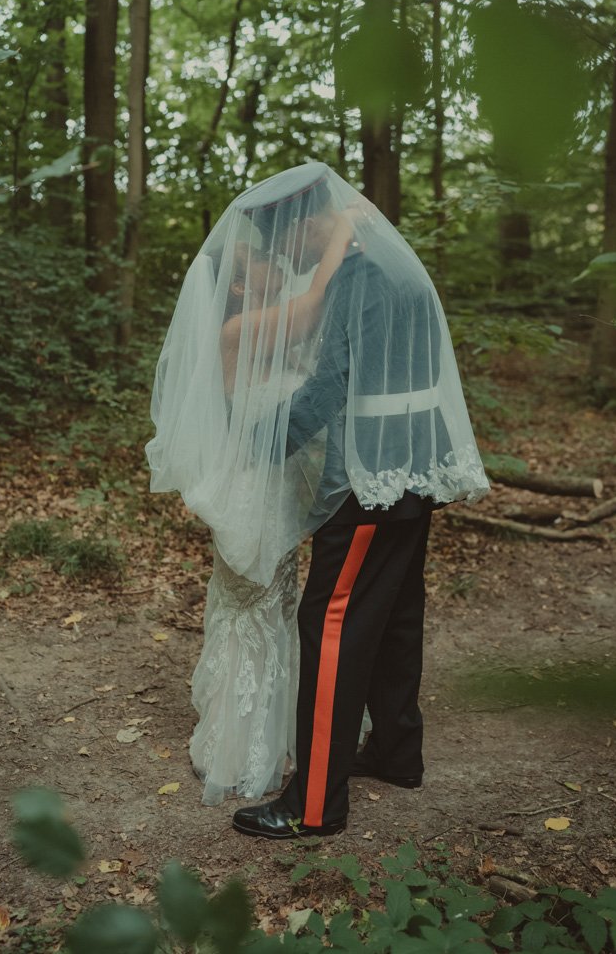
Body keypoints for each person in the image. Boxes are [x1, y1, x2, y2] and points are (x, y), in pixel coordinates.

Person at [225, 163, 490, 839]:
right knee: (396, 615)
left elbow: (327, 387)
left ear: (306, 224)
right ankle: (397, 753)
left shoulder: (358, 274)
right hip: (413, 471)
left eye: (284, 243)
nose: (286, 257)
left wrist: (254, 444)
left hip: (366, 484)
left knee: (331, 622)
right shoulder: (395, 265)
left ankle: (313, 804)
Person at [147, 196, 360, 805]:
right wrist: (343, 227)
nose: (275, 261)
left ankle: (278, 732)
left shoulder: (262, 329)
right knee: (255, 603)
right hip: (250, 492)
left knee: (276, 603)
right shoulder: (239, 331)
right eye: (260, 259)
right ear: (239, 285)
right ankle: (238, 747)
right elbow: (312, 304)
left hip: (272, 489)